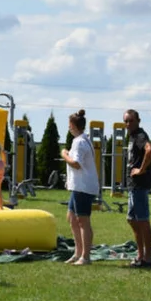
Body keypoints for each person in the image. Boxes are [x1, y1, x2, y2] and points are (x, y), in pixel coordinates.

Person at [61, 109, 100, 265]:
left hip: (83, 186)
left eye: (69, 125)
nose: (69, 128)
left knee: (82, 220)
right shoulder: (82, 139)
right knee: (71, 218)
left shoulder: (79, 142)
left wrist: (64, 154)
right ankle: (77, 253)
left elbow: (76, 164)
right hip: (78, 186)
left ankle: (86, 256)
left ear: (73, 125)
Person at [123, 108, 151, 268]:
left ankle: (147, 258)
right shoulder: (132, 137)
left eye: (131, 120)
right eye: (126, 121)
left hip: (139, 185)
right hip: (132, 186)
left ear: (138, 121)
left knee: (142, 221)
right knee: (132, 219)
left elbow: (150, 150)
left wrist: (141, 169)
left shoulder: (140, 136)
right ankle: (140, 254)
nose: (128, 124)